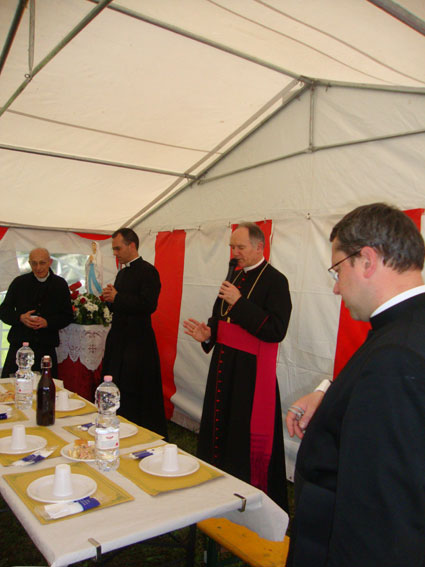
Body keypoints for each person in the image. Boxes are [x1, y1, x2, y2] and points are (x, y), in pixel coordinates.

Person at [286, 203, 425, 567]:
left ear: (366, 260)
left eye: (337, 270)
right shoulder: (405, 330)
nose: (335, 288)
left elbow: (380, 512)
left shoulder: (395, 358)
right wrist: (329, 393)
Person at [183, 222, 292, 510]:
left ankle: (247, 497)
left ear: (259, 247)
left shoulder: (276, 281)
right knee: (220, 428)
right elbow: (219, 318)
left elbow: (276, 330)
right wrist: (209, 335)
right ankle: (217, 490)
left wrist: (240, 303)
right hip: (223, 366)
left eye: (240, 247)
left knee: (240, 436)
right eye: (232, 246)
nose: (234, 252)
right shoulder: (234, 276)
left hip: (250, 373)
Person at [102, 228, 167, 438]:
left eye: (118, 248)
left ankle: (139, 428)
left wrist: (118, 297)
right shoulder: (122, 272)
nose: (116, 253)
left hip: (138, 341)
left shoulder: (148, 271)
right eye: (113, 249)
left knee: (135, 387)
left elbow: (148, 304)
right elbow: (121, 304)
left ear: (132, 245)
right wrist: (111, 300)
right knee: (117, 382)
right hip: (119, 338)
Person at [0, 248, 73, 378]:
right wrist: (20, 318)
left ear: (50, 262)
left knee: (45, 390)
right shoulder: (19, 282)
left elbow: (67, 316)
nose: (38, 267)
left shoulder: (60, 284)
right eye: (34, 263)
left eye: (42, 263)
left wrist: (47, 322)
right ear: (29, 263)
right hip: (19, 348)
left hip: (46, 348)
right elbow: (4, 311)